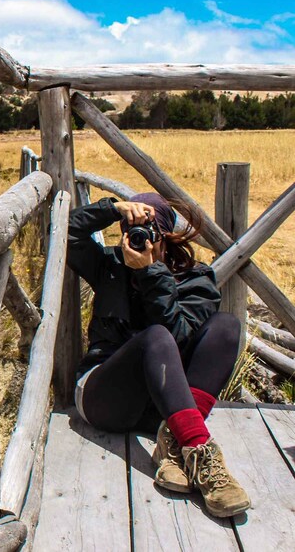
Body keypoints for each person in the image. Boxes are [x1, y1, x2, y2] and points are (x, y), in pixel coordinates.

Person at [67, 191, 250, 518]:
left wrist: (151, 274)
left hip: (159, 409)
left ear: (165, 238)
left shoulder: (197, 279)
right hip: (104, 398)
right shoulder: (109, 265)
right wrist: (113, 208)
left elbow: (178, 338)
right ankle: (198, 447)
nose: (139, 241)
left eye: (149, 234)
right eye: (131, 233)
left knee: (226, 327)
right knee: (154, 337)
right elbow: (65, 231)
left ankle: (175, 438)